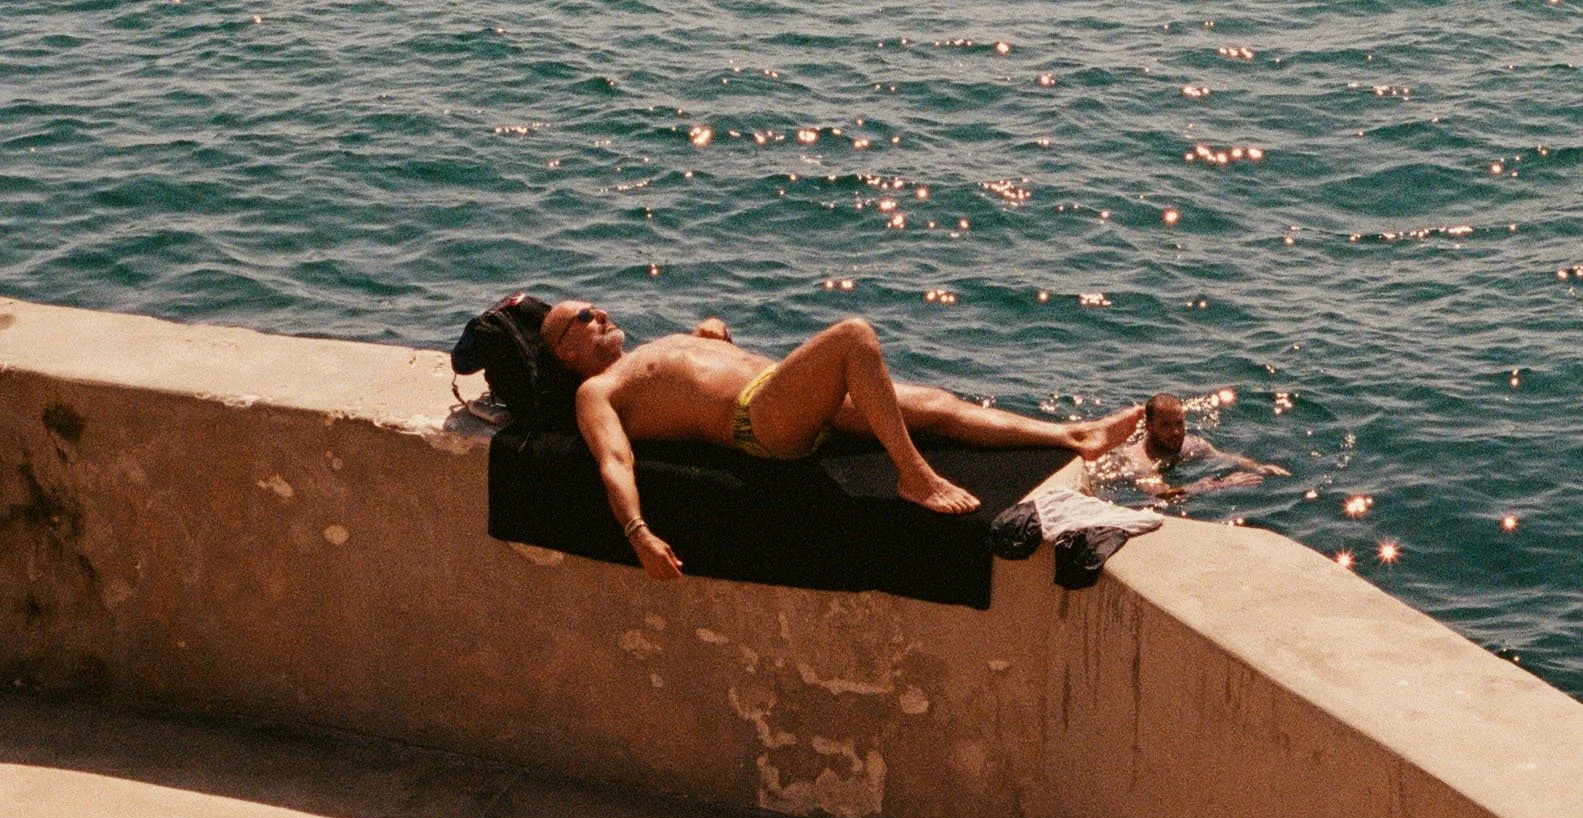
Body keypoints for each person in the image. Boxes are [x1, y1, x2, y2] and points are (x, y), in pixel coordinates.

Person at [528, 298, 1147, 581]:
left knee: (933, 404)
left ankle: (1073, 433)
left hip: (776, 391)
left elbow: (691, 381)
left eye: (596, 308)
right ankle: (915, 476)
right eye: (582, 319)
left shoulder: (644, 357)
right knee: (854, 337)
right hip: (759, 421)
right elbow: (615, 460)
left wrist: (704, 340)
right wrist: (639, 534)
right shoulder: (597, 393)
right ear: (566, 352)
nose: (599, 315)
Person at [1115, 392, 1289, 501]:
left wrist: (1260, 468)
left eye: (1179, 423)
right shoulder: (1137, 459)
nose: (1176, 432)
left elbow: (1225, 458)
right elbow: (1161, 494)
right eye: (1166, 425)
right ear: (1149, 426)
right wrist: (1219, 484)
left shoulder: (1191, 444)